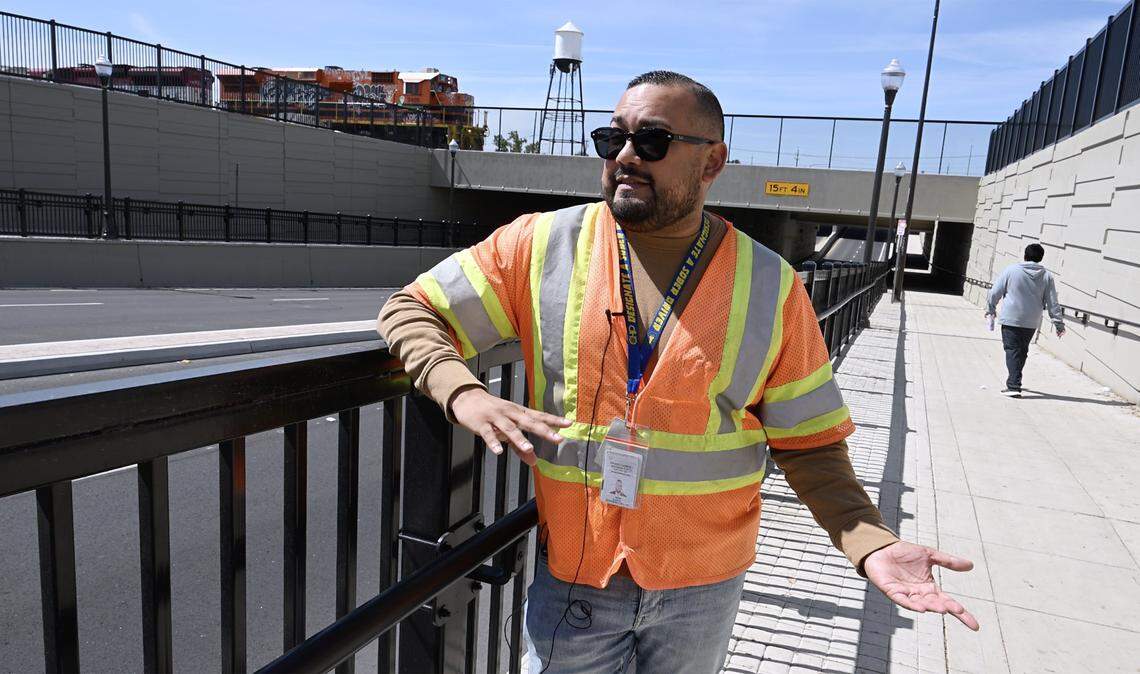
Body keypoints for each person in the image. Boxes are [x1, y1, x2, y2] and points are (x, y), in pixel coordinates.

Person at [378, 71, 978, 673]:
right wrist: (463, 393)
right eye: (612, 140)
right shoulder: (540, 245)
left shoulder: (771, 286)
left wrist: (868, 541)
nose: (627, 157)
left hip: (703, 591)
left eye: (653, 141)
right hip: (577, 577)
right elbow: (410, 307)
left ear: (711, 162)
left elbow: (811, 442)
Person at [986, 243, 1065, 397]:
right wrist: (1058, 323)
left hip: (1011, 318)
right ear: (1041, 258)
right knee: (1021, 351)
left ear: (1025, 255)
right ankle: (1015, 380)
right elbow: (1052, 301)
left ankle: (1014, 385)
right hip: (1031, 321)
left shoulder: (1011, 270)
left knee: (1012, 350)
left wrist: (991, 309)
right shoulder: (1047, 276)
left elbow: (995, 292)